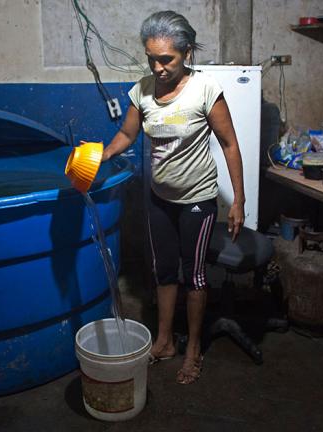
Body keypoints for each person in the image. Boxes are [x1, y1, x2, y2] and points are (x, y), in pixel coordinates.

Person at [101, 10, 245, 385]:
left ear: (186, 55)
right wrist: (101, 153)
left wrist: (240, 202)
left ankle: (193, 349)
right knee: (164, 272)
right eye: (152, 58)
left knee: (194, 275)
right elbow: (126, 135)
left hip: (197, 199)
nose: (158, 67)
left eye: (167, 59)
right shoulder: (142, 90)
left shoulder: (206, 91)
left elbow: (230, 144)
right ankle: (164, 341)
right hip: (159, 198)